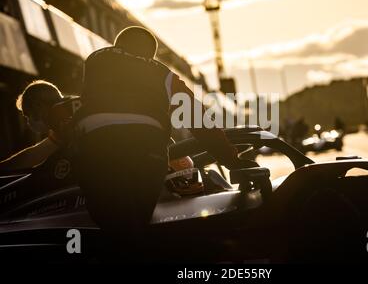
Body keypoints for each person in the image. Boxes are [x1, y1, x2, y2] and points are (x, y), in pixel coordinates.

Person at [72, 26, 249, 250]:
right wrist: (231, 160)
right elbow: (198, 120)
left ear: (117, 46)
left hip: (93, 149)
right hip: (146, 152)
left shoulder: (95, 60)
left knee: (111, 224)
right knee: (137, 225)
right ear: (150, 54)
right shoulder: (161, 72)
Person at [0, 80, 71, 170]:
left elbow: (35, 155)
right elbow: (37, 152)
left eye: (28, 115)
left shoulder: (68, 121)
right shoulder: (63, 121)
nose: (28, 121)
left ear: (38, 106)